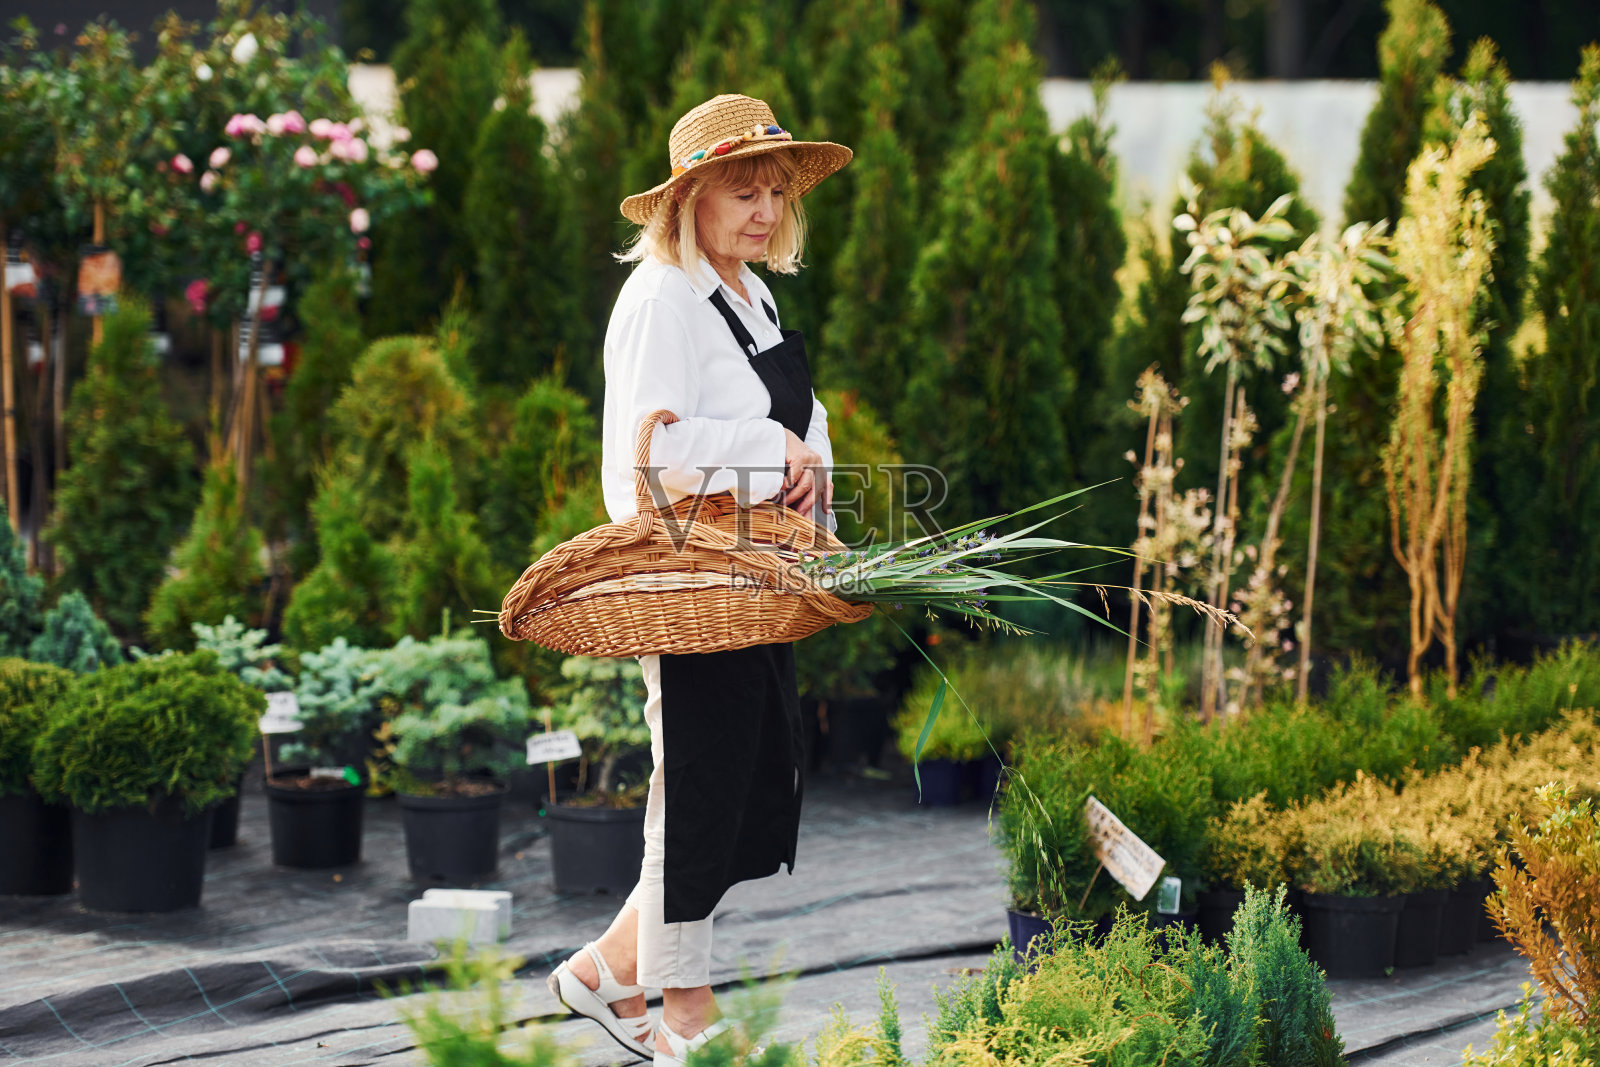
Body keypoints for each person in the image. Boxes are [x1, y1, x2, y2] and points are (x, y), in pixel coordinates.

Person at [545, 93, 852, 1066]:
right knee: (699, 788)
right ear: (691, 199)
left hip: (755, 578)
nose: (762, 212)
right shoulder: (661, 298)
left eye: (774, 192)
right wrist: (773, 449)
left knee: (737, 782)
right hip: (688, 581)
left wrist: (816, 482)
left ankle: (601, 971)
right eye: (742, 192)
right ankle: (685, 1014)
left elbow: (802, 426)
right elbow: (648, 456)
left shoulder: (752, 295)